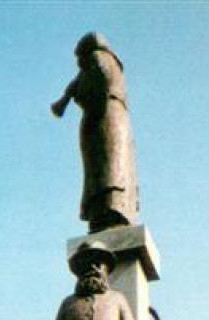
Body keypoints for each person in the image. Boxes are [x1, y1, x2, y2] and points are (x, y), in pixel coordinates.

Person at [51, 31, 138, 232]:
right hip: (109, 118)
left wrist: (74, 93)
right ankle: (108, 209)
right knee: (108, 167)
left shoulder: (98, 59)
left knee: (107, 167)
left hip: (104, 118)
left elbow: (98, 86)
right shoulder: (109, 63)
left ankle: (108, 209)